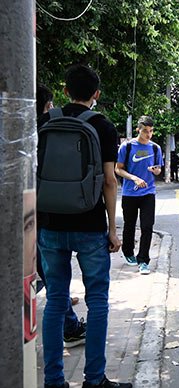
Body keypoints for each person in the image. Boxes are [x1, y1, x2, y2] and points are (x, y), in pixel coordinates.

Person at [37, 65, 131, 388]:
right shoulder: (103, 126)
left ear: (65, 92)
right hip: (90, 225)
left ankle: (53, 381)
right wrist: (113, 230)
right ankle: (94, 380)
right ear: (96, 95)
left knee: (56, 302)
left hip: (49, 224)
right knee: (98, 302)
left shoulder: (45, 122)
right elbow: (109, 181)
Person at [36, 84, 87, 348]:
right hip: (40, 222)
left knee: (50, 282)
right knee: (49, 282)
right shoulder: (42, 133)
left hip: (42, 221)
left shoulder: (33, 134)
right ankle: (69, 326)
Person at [115, 116, 163, 275]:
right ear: (138, 130)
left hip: (148, 193)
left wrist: (156, 171)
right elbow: (118, 169)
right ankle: (128, 252)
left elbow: (159, 169)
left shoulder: (155, 148)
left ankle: (143, 260)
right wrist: (134, 177)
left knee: (147, 226)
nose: (148, 134)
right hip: (130, 193)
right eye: (145, 131)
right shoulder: (127, 147)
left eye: (151, 131)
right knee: (129, 225)